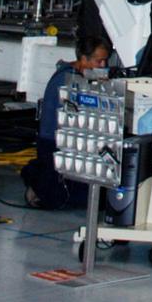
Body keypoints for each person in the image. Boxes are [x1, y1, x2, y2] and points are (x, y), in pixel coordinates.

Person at [25, 33, 110, 208]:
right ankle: (35, 175)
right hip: (55, 143)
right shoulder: (66, 81)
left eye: (105, 61)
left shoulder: (79, 76)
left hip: (71, 142)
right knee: (62, 198)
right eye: (99, 61)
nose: (103, 66)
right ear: (84, 59)